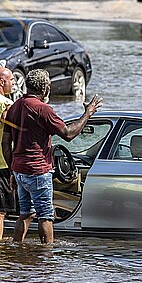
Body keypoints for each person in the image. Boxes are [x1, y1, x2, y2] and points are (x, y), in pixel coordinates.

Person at [1, 69, 103, 244]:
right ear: (46, 88)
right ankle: (47, 257)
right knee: (46, 216)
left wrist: (12, 170)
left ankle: (17, 249)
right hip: (38, 171)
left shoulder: (15, 106)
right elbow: (69, 134)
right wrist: (87, 114)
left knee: (26, 213)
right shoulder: (42, 109)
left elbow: (5, 144)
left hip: (19, 171)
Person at [0, 68, 14, 239]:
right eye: (12, 79)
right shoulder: (6, 103)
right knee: (1, 212)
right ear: (2, 82)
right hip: (2, 163)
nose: (14, 83)